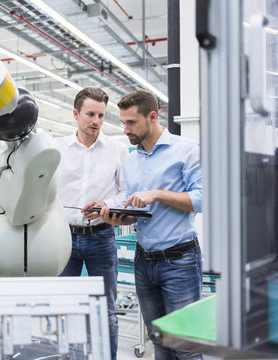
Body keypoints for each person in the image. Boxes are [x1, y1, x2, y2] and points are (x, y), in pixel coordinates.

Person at [101, 89, 203, 360]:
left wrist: (157, 193)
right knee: (159, 342)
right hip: (144, 261)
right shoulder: (132, 160)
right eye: (123, 122)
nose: (125, 129)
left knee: (186, 347)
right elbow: (137, 211)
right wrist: (118, 216)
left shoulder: (187, 151)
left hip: (179, 261)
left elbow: (203, 199)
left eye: (131, 122)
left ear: (153, 117)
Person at [54, 87, 128, 360]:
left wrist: (107, 206)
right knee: (65, 306)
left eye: (100, 115)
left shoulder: (118, 150)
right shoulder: (57, 149)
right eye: (90, 114)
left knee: (106, 307)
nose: (96, 120)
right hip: (63, 238)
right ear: (76, 114)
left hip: (101, 236)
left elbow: (125, 192)